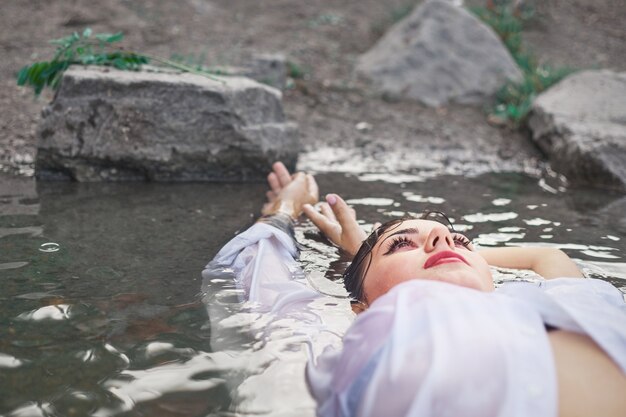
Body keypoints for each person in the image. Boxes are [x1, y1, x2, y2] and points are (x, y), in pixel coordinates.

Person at [204, 162, 626, 417]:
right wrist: (284, 210)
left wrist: (370, 253)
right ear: (360, 307)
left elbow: (547, 258)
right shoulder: (358, 342)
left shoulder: (558, 304)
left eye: (458, 239)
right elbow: (262, 271)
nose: (446, 240)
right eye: (401, 244)